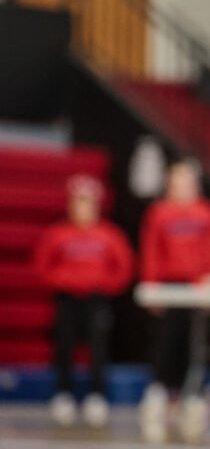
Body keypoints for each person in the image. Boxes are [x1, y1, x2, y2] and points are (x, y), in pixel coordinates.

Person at [33, 175, 134, 428]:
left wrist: (102, 284)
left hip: (97, 300)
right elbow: (42, 266)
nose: (83, 209)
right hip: (67, 299)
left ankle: (97, 397)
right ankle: (63, 394)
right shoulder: (58, 234)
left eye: (87, 203)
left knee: (98, 347)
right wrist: (65, 281)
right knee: (64, 346)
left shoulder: (109, 235)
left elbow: (124, 268)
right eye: (78, 202)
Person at [138, 160, 210, 443]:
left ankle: (189, 400)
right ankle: (158, 397)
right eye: (176, 183)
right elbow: (151, 248)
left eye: (186, 183)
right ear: (169, 185)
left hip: (197, 288)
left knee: (193, 345)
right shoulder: (159, 213)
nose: (182, 189)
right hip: (168, 287)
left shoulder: (207, 212)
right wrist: (151, 284)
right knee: (166, 344)